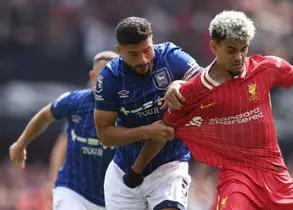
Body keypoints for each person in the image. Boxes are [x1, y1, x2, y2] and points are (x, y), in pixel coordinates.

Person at [163, 10, 293, 210]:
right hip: (237, 179)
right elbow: (166, 128)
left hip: (274, 175)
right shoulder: (197, 90)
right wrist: (135, 172)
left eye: (242, 49)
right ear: (214, 46)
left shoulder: (265, 69)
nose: (238, 57)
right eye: (231, 50)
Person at [93, 17, 201, 210]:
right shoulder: (110, 78)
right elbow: (105, 135)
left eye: (146, 50)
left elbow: (205, 85)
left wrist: (180, 84)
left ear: (152, 41)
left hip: (170, 165)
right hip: (124, 172)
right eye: (133, 54)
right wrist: (147, 131)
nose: (143, 59)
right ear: (119, 51)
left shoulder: (171, 57)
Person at [9, 51, 118, 210]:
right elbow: (46, 117)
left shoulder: (130, 108)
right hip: (73, 190)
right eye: (101, 76)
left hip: (111, 196)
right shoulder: (75, 102)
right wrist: (21, 144)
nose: (105, 82)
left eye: (111, 77)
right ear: (92, 75)